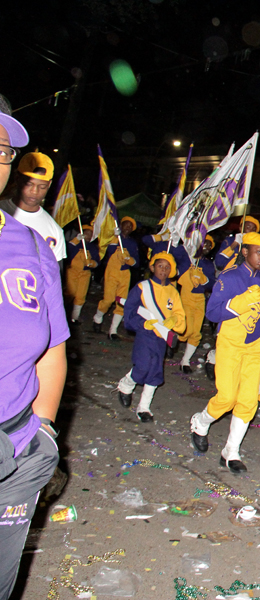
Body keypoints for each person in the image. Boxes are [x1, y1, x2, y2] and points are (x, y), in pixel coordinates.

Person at [0, 103, 69, 600]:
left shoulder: (38, 241)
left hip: (15, 452)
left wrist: (41, 430)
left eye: (3, 150)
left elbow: (52, 340)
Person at [190, 232, 260, 473]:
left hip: (254, 346)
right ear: (245, 252)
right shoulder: (230, 277)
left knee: (248, 401)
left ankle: (231, 451)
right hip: (230, 342)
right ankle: (200, 422)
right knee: (227, 397)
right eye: (259, 252)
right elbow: (212, 313)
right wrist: (240, 302)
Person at [117, 252, 186, 422]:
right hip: (145, 334)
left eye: (167, 267)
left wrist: (174, 320)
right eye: (160, 266)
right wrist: (142, 324)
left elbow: (179, 313)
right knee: (142, 366)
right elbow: (130, 311)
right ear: (153, 267)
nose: (163, 270)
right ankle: (126, 385)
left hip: (161, 337)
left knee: (155, 371)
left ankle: (144, 407)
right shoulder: (142, 287)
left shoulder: (173, 291)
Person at [0, 151, 66, 264]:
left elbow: (53, 277)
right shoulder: (2, 210)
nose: (34, 191)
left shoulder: (55, 231)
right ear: (17, 178)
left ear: (49, 185)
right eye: (29, 184)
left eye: (42, 186)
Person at [91, 216, 138, 340]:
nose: (127, 228)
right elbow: (109, 251)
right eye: (125, 225)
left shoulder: (132, 243)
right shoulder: (114, 238)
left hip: (125, 275)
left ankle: (113, 330)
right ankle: (98, 317)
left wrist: (129, 260)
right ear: (120, 226)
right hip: (112, 272)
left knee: (122, 302)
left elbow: (137, 263)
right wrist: (115, 239)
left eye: (130, 226)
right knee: (108, 300)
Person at [177, 237, 216, 374]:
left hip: (199, 298)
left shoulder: (208, 264)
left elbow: (212, 283)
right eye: (204, 243)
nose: (206, 247)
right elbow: (177, 269)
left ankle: (185, 361)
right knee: (185, 329)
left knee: (196, 331)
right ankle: (174, 339)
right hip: (185, 296)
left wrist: (204, 280)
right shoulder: (188, 258)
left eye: (209, 245)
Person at [64, 225, 100, 324]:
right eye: (86, 233)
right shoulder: (76, 244)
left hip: (85, 274)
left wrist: (92, 263)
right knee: (70, 293)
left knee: (81, 296)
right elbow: (67, 250)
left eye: (90, 234)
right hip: (72, 271)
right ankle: (63, 314)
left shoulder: (93, 247)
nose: (88, 236)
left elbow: (98, 261)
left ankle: (74, 317)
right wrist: (75, 240)